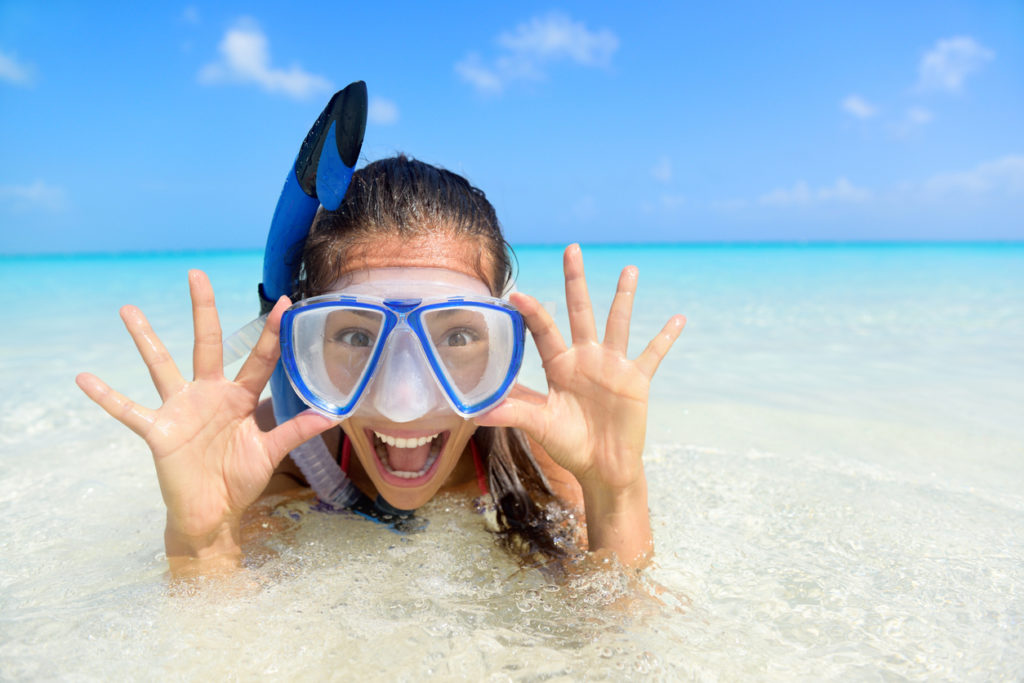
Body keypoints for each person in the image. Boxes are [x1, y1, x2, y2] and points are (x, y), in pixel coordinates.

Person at [75, 156, 685, 574]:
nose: (405, 397)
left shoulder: (538, 454)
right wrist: (201, 541)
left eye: (459, 336)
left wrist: (616, 488)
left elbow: (618, 644)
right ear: (302, 347)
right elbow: (216, 652)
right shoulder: (265, 459)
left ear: (506, 346)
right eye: (356, 338)